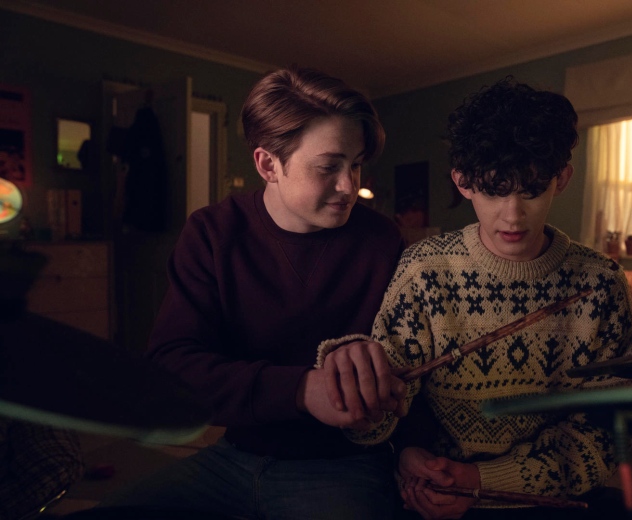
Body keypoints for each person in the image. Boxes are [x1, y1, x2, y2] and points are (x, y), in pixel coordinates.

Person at [317, 77, 632, 519]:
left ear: (560, 179)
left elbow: (606, 436)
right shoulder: (424, 269)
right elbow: (379, 421)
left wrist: (482, 482)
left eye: (531, 190)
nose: (512, 214)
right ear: (463, 182)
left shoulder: (601, 282)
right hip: (429, 491)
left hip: (549, 502)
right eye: (493, 190)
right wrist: (392, 438)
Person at [99, 66, 408, 519]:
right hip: (231, 457)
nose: (349, 187)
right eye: (329, 167)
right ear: (268, 164)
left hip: (344, 466)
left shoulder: (383, 241)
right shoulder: (211, 233)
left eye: (356, 164)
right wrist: (302, 389)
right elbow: (173, 365)